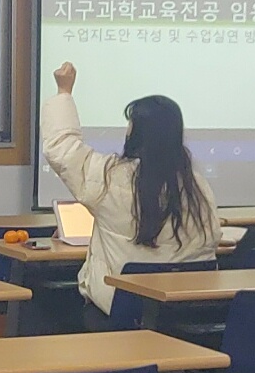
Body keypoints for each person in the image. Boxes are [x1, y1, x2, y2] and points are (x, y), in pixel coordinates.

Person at [41, 64, 220, 318]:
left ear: (134, 134)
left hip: (119, 318)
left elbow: (63, 149)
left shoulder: (110, 178)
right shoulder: (197, 187)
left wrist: (64, 93)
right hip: (184, 319)